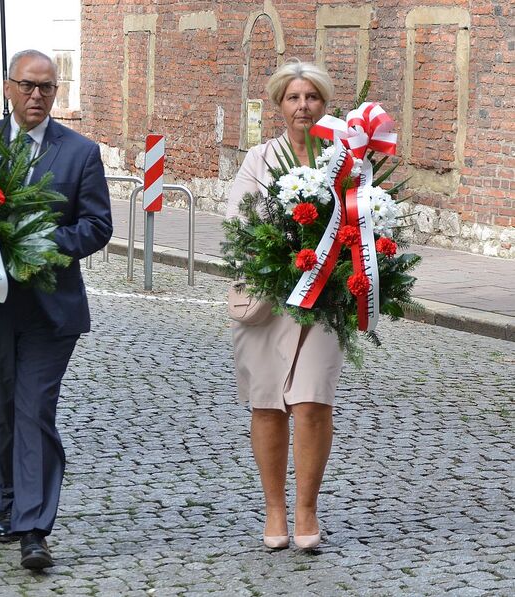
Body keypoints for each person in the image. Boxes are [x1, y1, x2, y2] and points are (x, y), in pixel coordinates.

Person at [0, 49, 113, 570]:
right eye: (27, 86)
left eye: (47, 88)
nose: (37, 96)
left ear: (56, 92)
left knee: (33, 410)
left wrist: (40, 241)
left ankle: (34, 529)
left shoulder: (80, 153)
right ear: (9, 87)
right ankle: (9, 503)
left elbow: (97, 225)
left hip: (49, 309)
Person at [225, 59, 342, 551]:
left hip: (323, 299)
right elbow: (238, 222)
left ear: (324, 104)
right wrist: (278, 255)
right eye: (293, 98)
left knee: (313, 401)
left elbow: (362, 222)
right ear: (279, 105)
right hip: (269, 299)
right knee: (268, 403)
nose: (303, 106)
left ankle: (306, 510)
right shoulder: (260, 158)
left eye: (311, 97)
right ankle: (275, 509)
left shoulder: (342, 158)